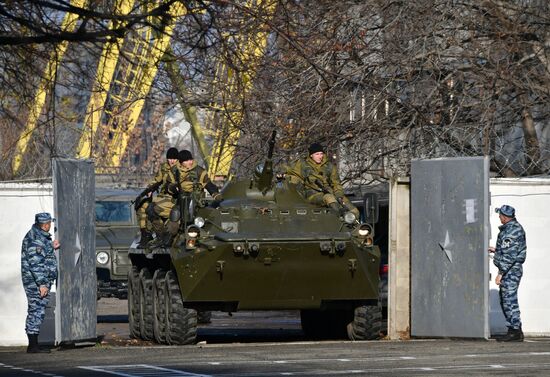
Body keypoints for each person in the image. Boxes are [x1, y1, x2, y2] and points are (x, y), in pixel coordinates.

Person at [21, 212, 60, 353]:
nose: (50, 225)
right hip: (36, 283)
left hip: (37, 282)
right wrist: (42, 284)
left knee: (37, 311)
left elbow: (42, 253)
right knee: (36, 311)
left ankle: (34, 344)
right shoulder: (35, 239)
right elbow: (35, 265)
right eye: (49, 223)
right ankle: (33, 346)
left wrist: (51, 245)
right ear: (45, 224)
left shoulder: (39, 237)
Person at [285, 142, 359, 217]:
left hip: (331, 193)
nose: (320, 156)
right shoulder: (303, 165)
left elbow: (336, 183)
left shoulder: (329, 166)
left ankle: (354, 225)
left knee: (354, 211)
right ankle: (339, 219)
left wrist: (339, 195)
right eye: (317, 154)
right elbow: (294, 176)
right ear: (311, 155)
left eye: (321, 154)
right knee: (329, 198)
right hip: (312, 195)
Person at [488, 204, 527, 342]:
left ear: (505, 217)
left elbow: (510, 256)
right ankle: (515, 329)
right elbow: (508, 251)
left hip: (510, 271)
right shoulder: (510, 229)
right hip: (510, 270)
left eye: (500, 215)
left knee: (509, 301)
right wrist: (496, 251)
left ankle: (514, 331)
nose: (499, 217)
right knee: (506, 300)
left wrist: (501, 273)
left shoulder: (512, 231)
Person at [134, 147, 180, 248]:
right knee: (141, 206)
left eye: (174, 159)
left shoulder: (180, 170)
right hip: (161, 197)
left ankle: (161, 235)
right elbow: (157, 180)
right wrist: (149, 189)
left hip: (172, 199)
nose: (171, 161)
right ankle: (146, 235)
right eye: (169, 158)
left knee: (153, 208)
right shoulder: (164, 167)